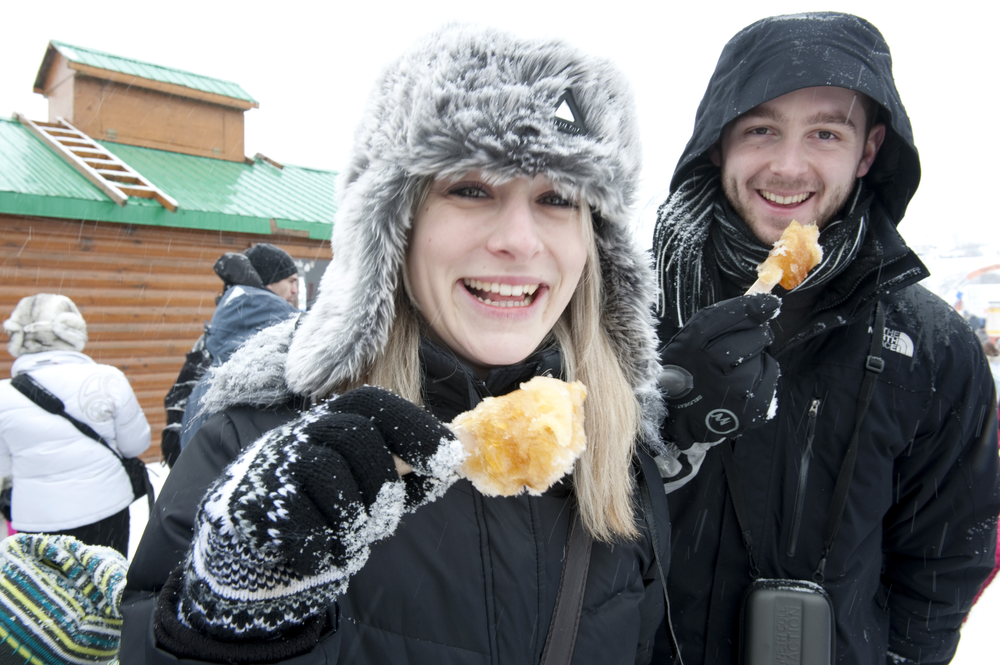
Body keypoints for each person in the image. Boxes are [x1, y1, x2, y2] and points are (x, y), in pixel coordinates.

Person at [121, 25, 676, 664]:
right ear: (394, 226)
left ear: (594, 244)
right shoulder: (257, 442)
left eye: (557, 198)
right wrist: (234, 615)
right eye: (471, 189)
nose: (520, 241)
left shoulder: (617, 451)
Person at [651, 12, 1000, 665]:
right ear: (718, 142)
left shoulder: (934, 347)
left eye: (825, 133)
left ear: (868, 151)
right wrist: (658, 414)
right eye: (760, 129)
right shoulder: (625, 311)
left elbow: (950, 551)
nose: (788, 166)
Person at [0, 294, 151, 556]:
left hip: (35, 519)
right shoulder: (108, 379)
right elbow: (135, 445)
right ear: (72, 331)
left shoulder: (4, 395)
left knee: (45, 583)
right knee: (104, 579)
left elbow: (3, 467)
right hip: (106, 510)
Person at [175, 245, 301, 452]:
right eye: (290, 281)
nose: (295, 290)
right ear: (268, 283)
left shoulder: (217, 341)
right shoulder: (282, 351)